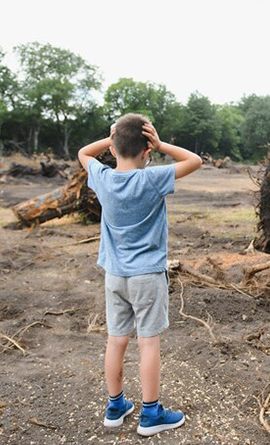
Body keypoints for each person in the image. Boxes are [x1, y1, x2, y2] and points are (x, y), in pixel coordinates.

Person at [77, 113, 202, 436]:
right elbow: (195, 160)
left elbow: (83, 154)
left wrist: (112, 139)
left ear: (115, 148)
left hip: (115, 276)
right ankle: (150, 414)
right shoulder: (152, 178)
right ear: (147, 151)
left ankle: (115, 406)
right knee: (148, 343)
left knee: (116, 340)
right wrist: (161, 144)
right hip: (147, 275)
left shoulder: (103, 177)